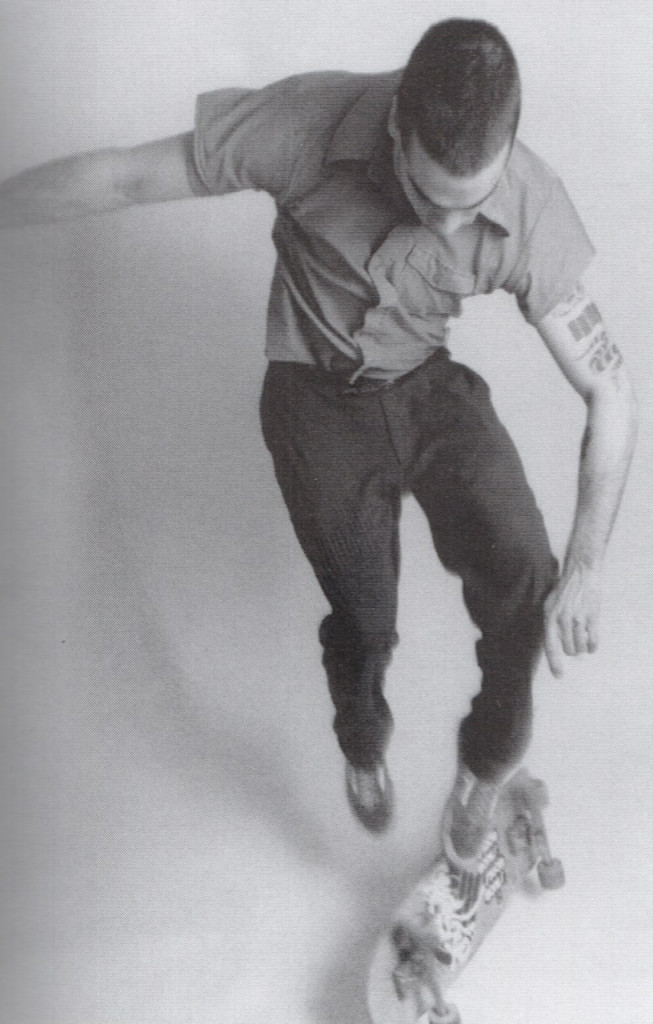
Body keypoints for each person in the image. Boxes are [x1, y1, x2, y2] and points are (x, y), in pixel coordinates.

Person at [0, 20, 637, 861]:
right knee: (366, 620)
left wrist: (587, 563)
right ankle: (362, 745)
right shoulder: (304, 122)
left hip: (425, 387)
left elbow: (610, 388)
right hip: (314, 401)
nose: (452, 228)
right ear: (396, 129)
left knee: (529, 573)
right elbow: (122, 177)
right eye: (430, 201)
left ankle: (485, 768)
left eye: (472, 205)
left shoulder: (529, 203)